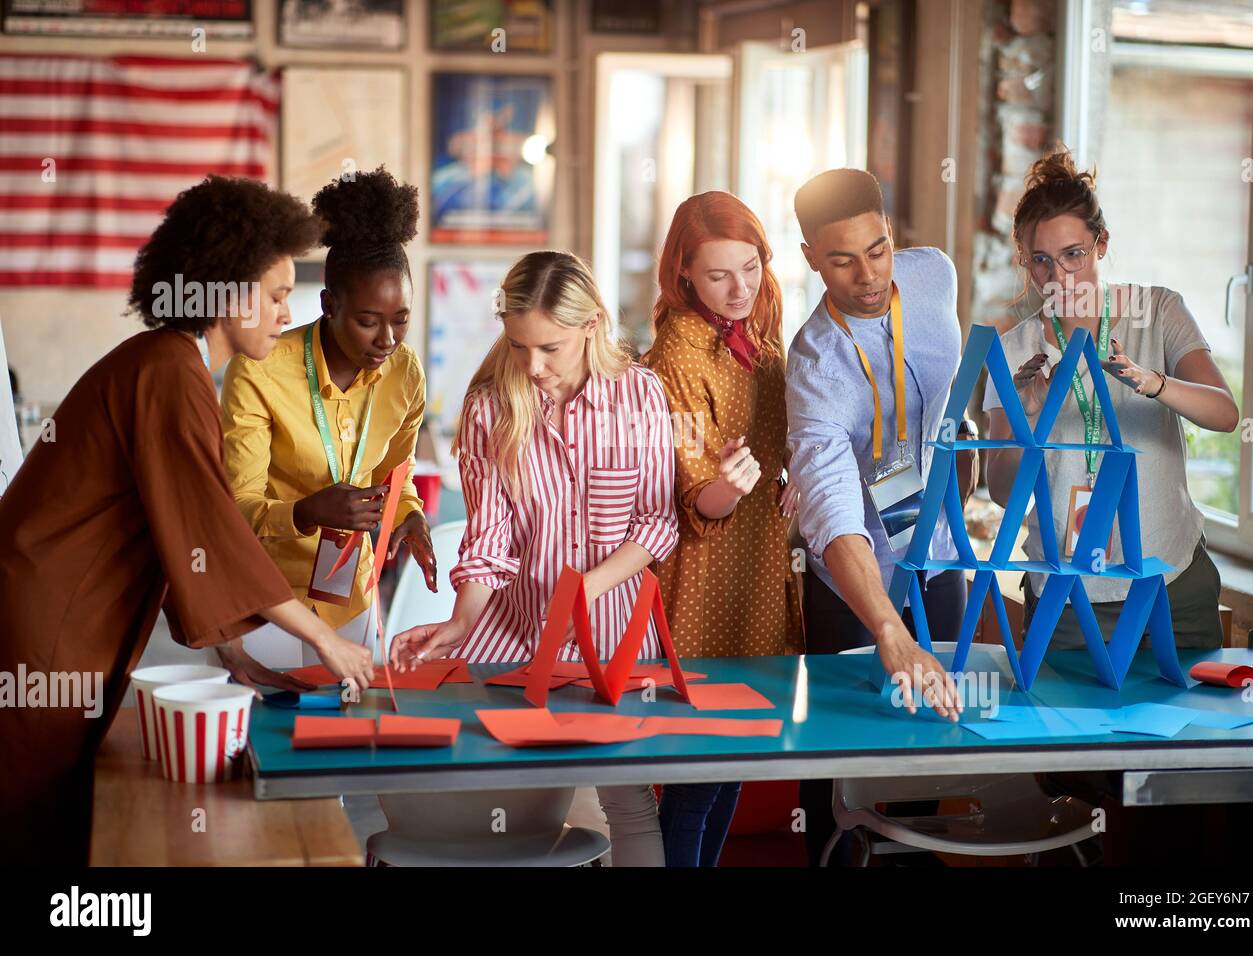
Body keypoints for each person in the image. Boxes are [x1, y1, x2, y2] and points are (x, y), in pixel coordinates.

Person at [0, 176, 374, 865]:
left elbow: (176, 529)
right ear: (228, 292)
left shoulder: (172, 365)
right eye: (277, 295)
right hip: (45, 622)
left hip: (49, 612)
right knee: (32, 811)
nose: (285, 314)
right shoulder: (171, 371)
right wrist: (327, 639)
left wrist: (232, 647)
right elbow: (212, 528)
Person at [389, 251, 678, 866]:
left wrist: (585, 588)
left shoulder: (641, 397)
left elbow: (657, 524)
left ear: (592, 324)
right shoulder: (491, 405)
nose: (533, 365)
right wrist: (461, 621)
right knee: (496, 803)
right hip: (516, 638)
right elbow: (489, 537)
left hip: (612, 641)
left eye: (550, 347)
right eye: (519, 346)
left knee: (628, 803)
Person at [786, 167, 974, 865]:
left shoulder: (934, 275)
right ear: (810, 257)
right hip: (855, 582)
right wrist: (887, 630)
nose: (866, 276)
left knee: (928, 745)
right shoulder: (815, 369)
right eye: (841, 259)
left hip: (939, 551)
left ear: (893, 236)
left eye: (877, 250)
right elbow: (833, 516)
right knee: (838, 757)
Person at [983, 146, 1239, 649]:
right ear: (1026, 262)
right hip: (1068, 592)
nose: (1059, 279)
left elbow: (1226, 414)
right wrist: (1029, 419)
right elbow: (1000, 490)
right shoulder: (1013, 351)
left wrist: (1153, 382)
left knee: (1192, 726)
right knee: (1073, 729)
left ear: (1101, 243)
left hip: (1171, 579)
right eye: (1041, 261)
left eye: (1074, 254)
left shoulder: (1160, 311)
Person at [640, 190, 801, 867]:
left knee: (737, 753)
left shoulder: (760, 340)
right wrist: (735, 487)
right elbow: (695, 498)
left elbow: (780, 446)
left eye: (750, 266)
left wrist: (792, 478)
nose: (739, 288)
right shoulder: (676, 356)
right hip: (704, 579)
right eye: (717, 275)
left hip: (761, 568)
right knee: (696, 770)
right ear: (683, 276)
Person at [221, 168, 435, 667]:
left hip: (350, 598)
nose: (387, 340)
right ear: (328, 305)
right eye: (367, 321)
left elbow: (394, 480)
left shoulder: (406, 375)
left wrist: (413, 517)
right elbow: (235, 507)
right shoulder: (260, 369)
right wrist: (305, 512)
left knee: (353, 730)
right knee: (266, 736)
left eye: (401, 319)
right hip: (265, 601)